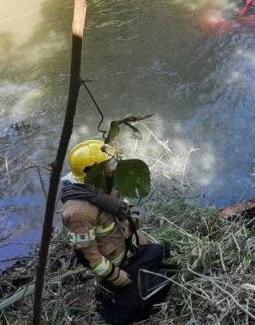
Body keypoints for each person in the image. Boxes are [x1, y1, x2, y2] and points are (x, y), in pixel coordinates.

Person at [60, 139, 173, 324]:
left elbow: (121, 204)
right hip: (116, 264)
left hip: (130, 247)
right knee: (137, 305)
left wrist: (133, 217)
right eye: (107, 164)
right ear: (92, 171)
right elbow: (87, 250)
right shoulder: (78, 211)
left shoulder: (104, 185)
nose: (112, 167)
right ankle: (117, 299)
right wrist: (113, 275)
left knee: (162, 253)